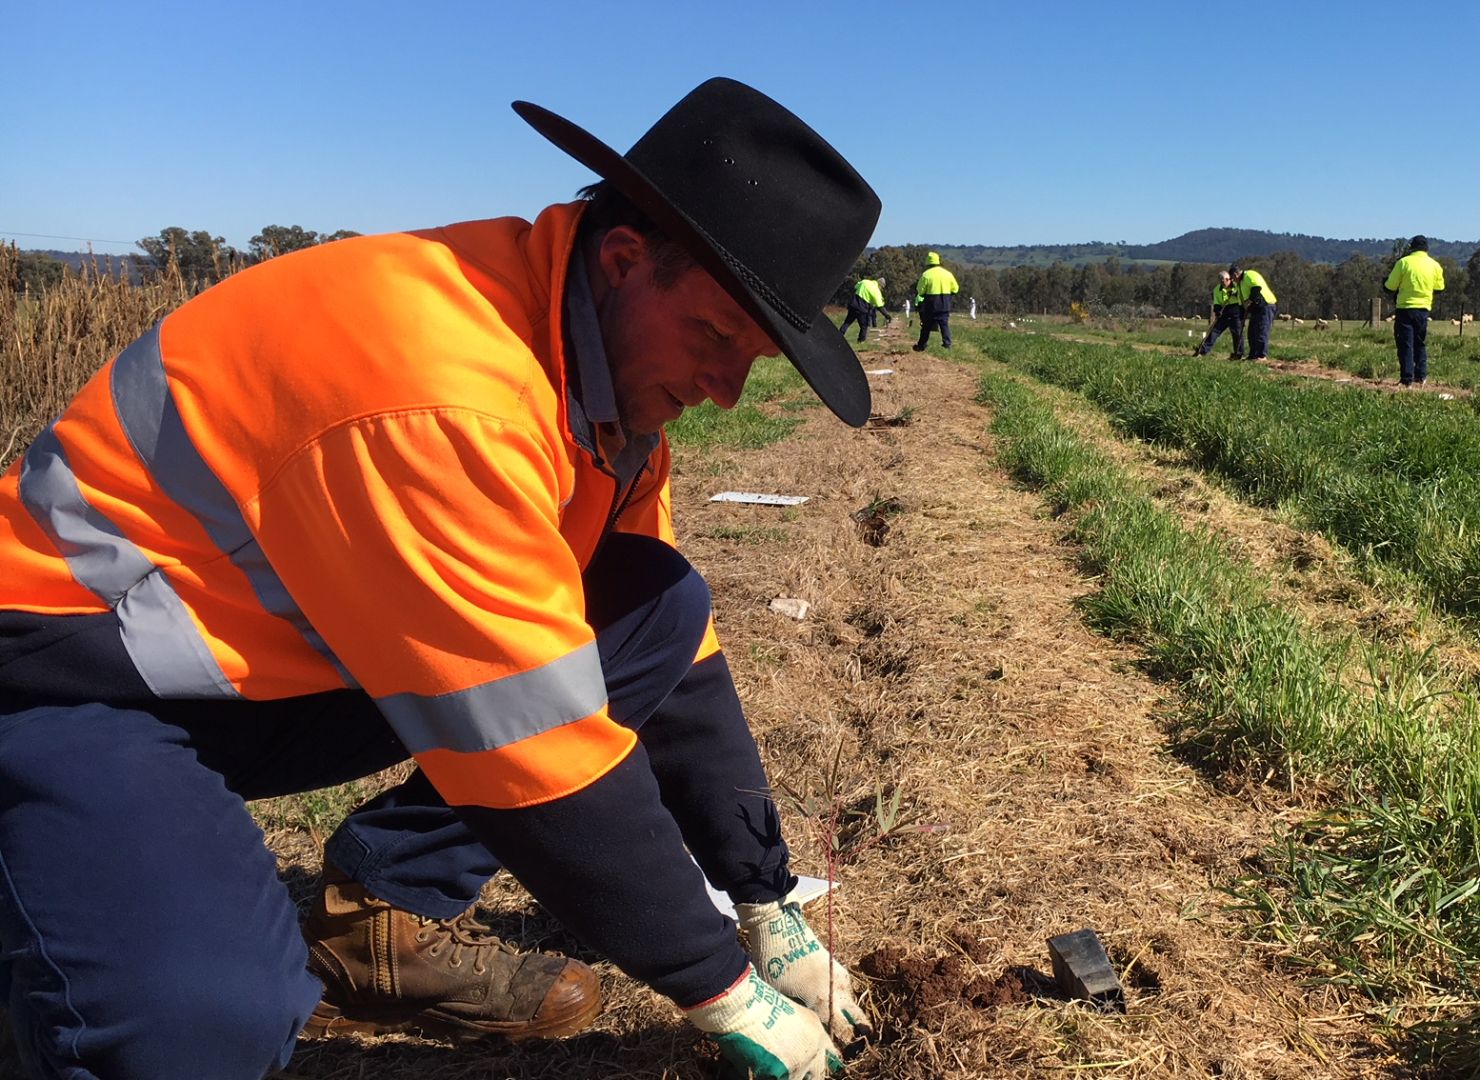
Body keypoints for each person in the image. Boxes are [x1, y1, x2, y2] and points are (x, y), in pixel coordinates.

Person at [0, 78, 880, 1080]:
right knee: (199, 1025)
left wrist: (764, 899)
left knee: (652, 602)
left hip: (248, 665)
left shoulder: (603, 403)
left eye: (754, 359)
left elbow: (674, 667)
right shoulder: (446, 390)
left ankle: (382, 913)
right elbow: (539, 753)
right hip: (67, 673)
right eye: (717, 337)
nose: (725, 391)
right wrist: (720, 989)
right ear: (627, 260)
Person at [1383, 235, 1446, 385]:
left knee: (1406, 344)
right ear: (1426, 249)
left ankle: (1406, 379)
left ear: (1411, 247)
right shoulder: (1434, 265)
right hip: (1423, 309)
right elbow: (1440, 288)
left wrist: (1385, 282)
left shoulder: (1404, 262)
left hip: (1405, 308)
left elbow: (1390, 286)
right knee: (1420, 343)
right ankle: (1421, 376)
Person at [912, 251, 959, 351]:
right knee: (944, 325)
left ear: (928, 263)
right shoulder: (948, 274)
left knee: (926, 326)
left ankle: (921, 345)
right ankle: (947, 345)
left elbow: (920, 291)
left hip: (931, 304)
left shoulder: (926, 275)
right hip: (945, 303)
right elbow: (955, 289)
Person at [1193, 269, 1244, 359]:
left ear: (1229, 279)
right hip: (1224, 311)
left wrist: (1235, 294)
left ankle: (1238, 354)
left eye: (1225, 281)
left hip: (1236, 310)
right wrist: (1217, 310)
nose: (1224, 283)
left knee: (1237, 333)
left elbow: (1242, 296)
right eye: (1221, 282)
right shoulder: (1217, 289)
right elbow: (1216, 302)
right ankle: (1202, 351)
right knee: (1214, 331)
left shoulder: (1237, 285)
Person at [1232, 263, 1277, 361]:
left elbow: (1256, 288)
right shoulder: (1239, 284)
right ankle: (1253, 355)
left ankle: (1261, 355)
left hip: (1265, 305)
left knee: (1261, 330)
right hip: (1255, 309)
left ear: (1236, 274)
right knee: (1252, 332)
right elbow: (1241, 302)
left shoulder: (1249, 275)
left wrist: (1250, 300)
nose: (1232, 281)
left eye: (1232, 278)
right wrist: (1241, 316)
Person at [840, 274, 885, 342]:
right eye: (882, 287)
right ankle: (861, 341)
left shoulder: (865, 281)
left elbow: (855, 287)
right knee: (864, 326)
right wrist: (887, 316)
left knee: (847, 322)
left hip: (853, 305)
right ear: (880, 285)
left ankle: (839, 335)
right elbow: (880, 306)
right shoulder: (876, 291)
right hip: (862, 309)